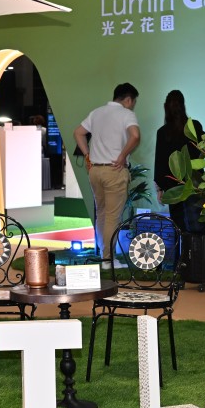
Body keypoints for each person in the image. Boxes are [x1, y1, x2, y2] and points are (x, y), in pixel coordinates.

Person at [73, 83, 141, 269]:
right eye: (133, 102)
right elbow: (135, 136)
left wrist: (87, 155)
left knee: (101, 214)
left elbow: (78, 133)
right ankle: (108, 259)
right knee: (112, 216)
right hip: (114, 171)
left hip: (95, 170)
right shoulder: (126, 114)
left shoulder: (97, 112)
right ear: (128, 100)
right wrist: (122, 156)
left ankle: (104, 255)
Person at [153, 90, 205, 233]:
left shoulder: (162, 132)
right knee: (198, 226)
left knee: (179, 228)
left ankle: (183, 248)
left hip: (174, 186)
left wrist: (160, 189)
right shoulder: (195, 126)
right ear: (183, 105)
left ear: (166, 107)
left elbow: (160, 162)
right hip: (195, 183)